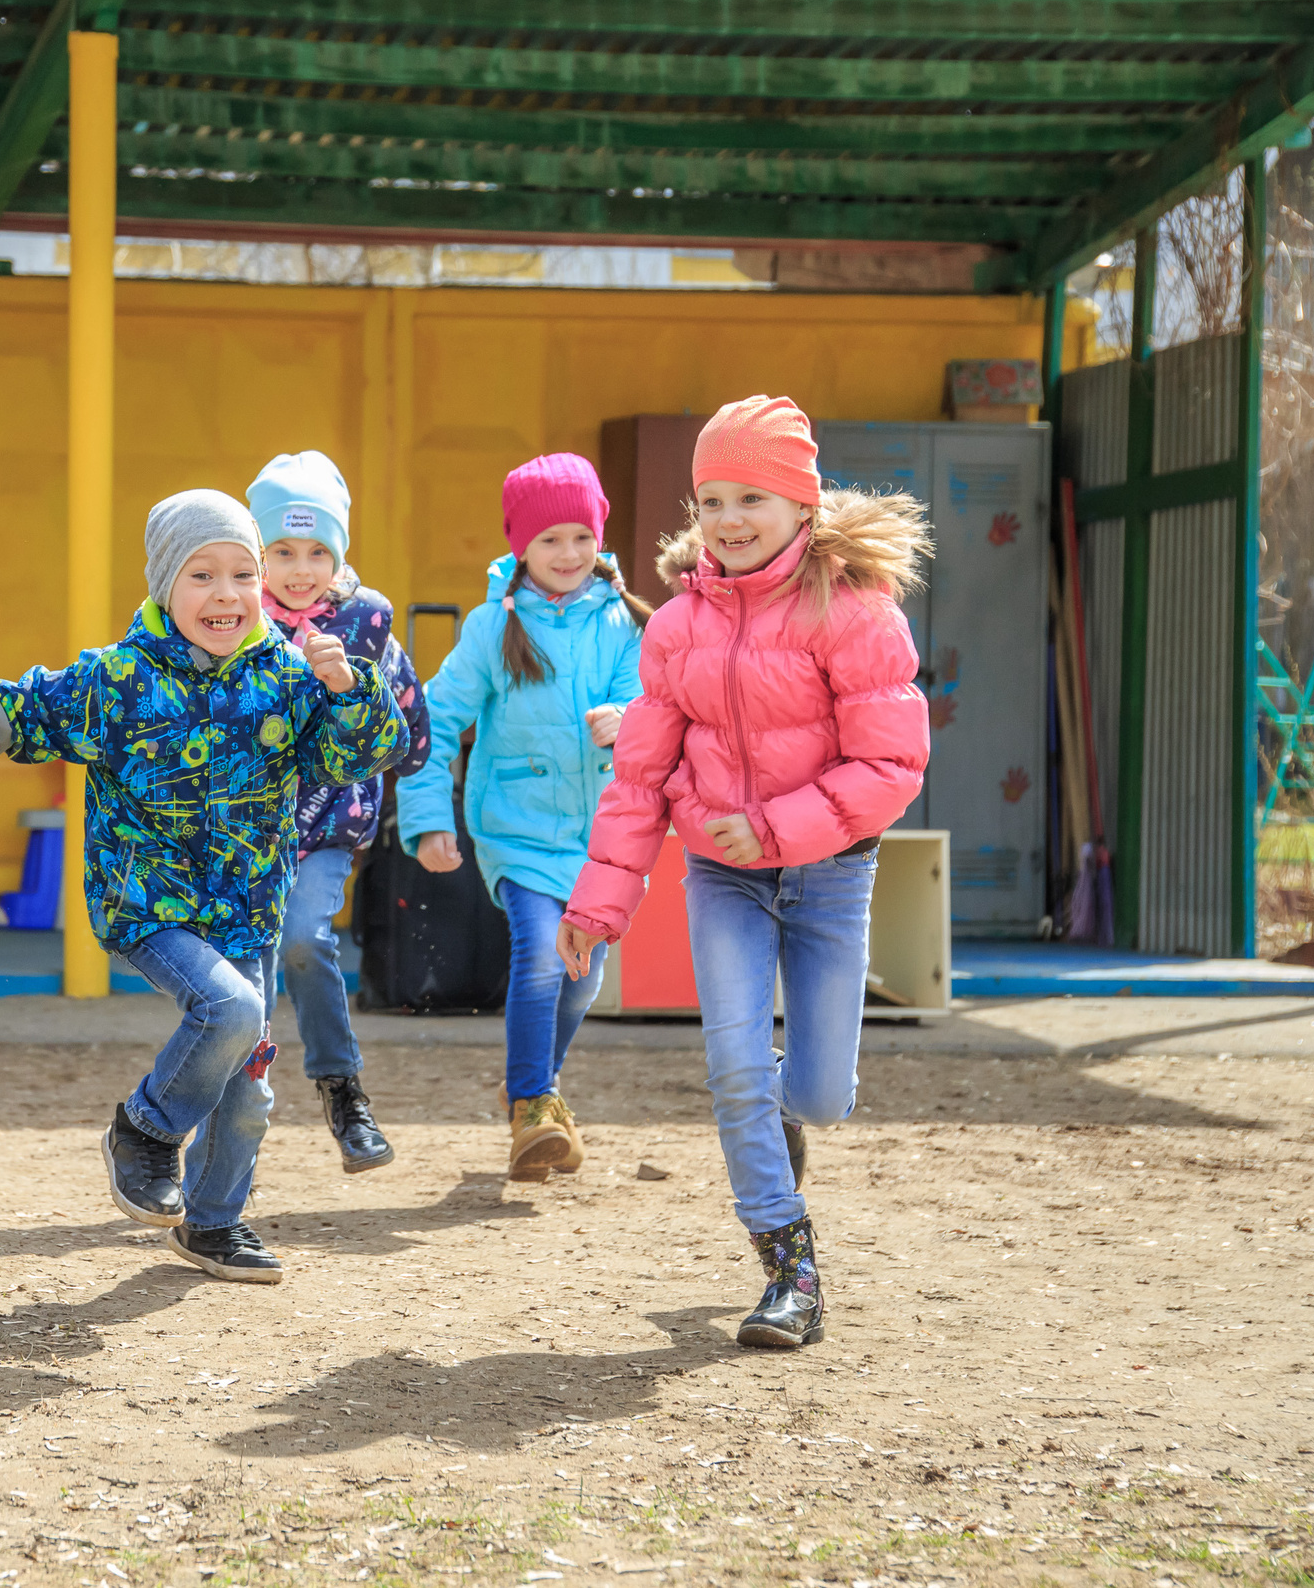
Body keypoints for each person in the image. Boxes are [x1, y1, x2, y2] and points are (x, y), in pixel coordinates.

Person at [0, 491, 407, 1284]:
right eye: (202, 575)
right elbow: (14, 707)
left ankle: (213, 1223)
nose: (226, 593)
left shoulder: (289, 676)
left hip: (248, 911)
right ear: (166, 585)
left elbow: (360, 758)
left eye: (243, 574)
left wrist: (349, 691)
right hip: (148, 904)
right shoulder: (117, 680)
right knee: (231, 1010)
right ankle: (146, 1128)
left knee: (248, 1086)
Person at [558, 396, 931, 1349]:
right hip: (722, 878)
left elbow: (890, 766)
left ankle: (786, 1122)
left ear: (802, 504)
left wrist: (768, 826)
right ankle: (788, 1269)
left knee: (819, 1094)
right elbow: (640, 778)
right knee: (734, 1067)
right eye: (712, 499)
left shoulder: (854, 612)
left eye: (751, 498)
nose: (728, 519)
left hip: (830, 876)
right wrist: (599, 905)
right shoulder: (677, 627)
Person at [393, 453, 652, 1182]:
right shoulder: (489, 628)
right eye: (549, 540)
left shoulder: (625, 622)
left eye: (581, 537)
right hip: (517, 830)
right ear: (520, 546)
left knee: (582, 979)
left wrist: (628, 721)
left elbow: (655, 706)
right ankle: (534, 1103)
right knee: (542, 954)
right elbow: (435, 722)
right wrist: (429, 818)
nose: (568, 554)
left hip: (602, 839)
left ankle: (534, 1089)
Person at [247, 451, 433, 1173]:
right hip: (240, 829)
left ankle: (341, 1088)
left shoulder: (367, 621)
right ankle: (229, 1124)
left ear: (340, 552)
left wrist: (358, 697)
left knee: (301, 938)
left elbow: (410, 727)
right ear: (257, 551)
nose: (301, 569)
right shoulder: (229, 618)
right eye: (282, 551)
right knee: (244, 975)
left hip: (326, 825)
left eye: (318, 551)